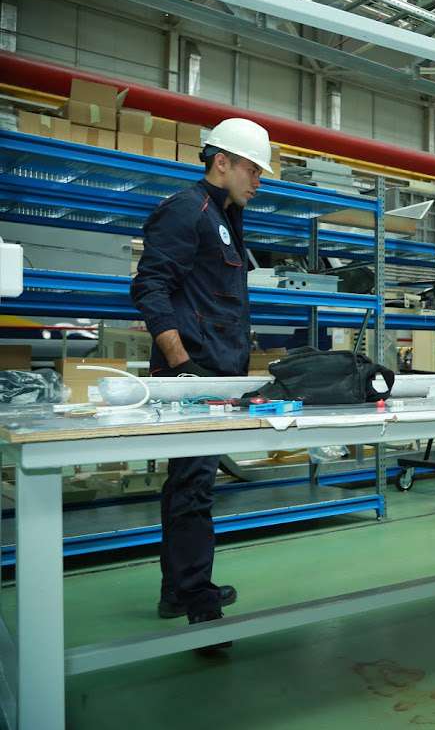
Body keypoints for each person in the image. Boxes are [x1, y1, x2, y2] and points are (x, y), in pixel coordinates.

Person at [131, 117, 272, 643]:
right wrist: (181, 366)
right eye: (253, 169)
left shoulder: (226, 216)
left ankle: (180, 589)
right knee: (192, 486)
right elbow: (150, 287)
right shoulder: (186, 210)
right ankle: (197, 602)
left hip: (218, 374)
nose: (258, 180)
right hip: (194, 374)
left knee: (193, 482)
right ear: (222, 162)